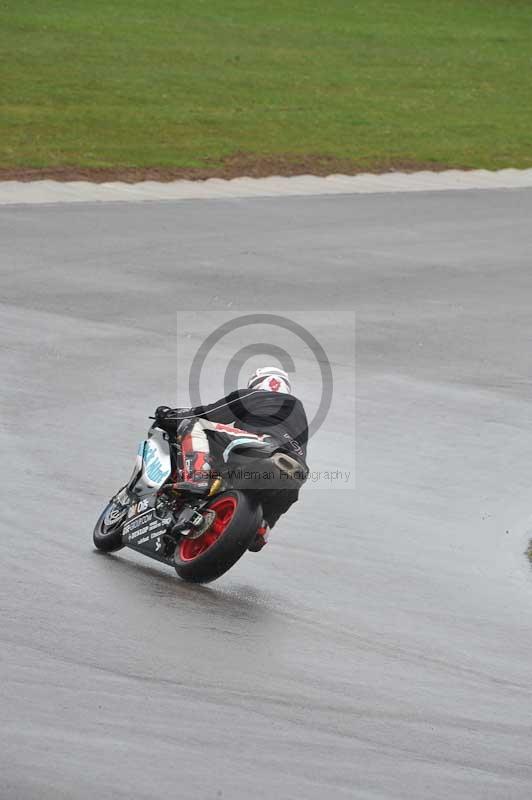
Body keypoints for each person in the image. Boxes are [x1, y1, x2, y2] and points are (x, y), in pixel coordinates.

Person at [155, 366, 308, 551]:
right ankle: (261, 528)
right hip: (294, 472)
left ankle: (197, 478)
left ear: (256, 383)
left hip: (262, 447)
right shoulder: (299, 410)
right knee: (273, 502)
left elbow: (208, 413)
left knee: (194, 424)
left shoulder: (251, 395)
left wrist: (170, 416)